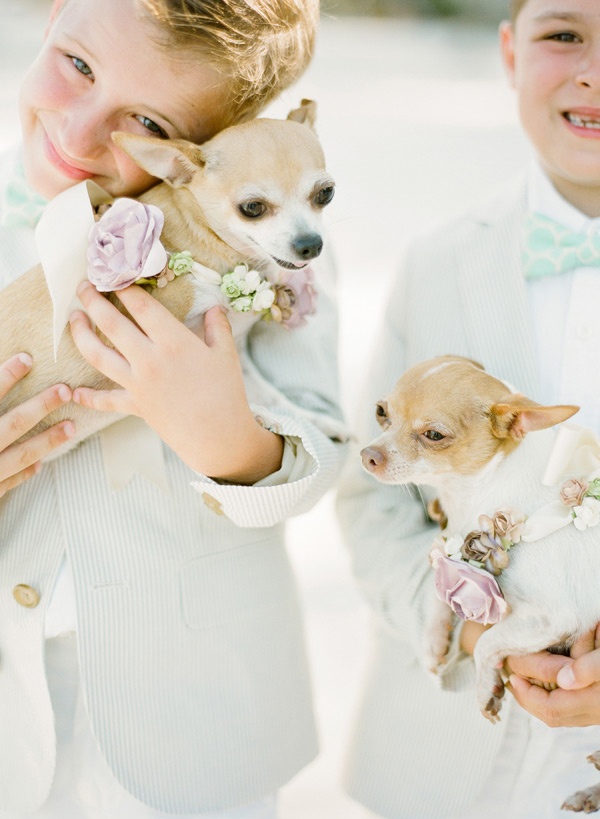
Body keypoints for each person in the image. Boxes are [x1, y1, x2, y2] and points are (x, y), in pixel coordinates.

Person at [0, 1, 346, 817]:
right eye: (80, 65)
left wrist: (230, 437)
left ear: (202, 149)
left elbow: (325, 443)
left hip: (194, 720)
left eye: (147, 119)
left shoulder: (270, 245)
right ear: (54, 14)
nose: (83, 133)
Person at [337, 0, 600, 816]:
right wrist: (474, 629)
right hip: (442, 758)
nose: (594, 70)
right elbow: (370, 504)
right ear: (511, 53)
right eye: (564, 34)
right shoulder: (438, 262)